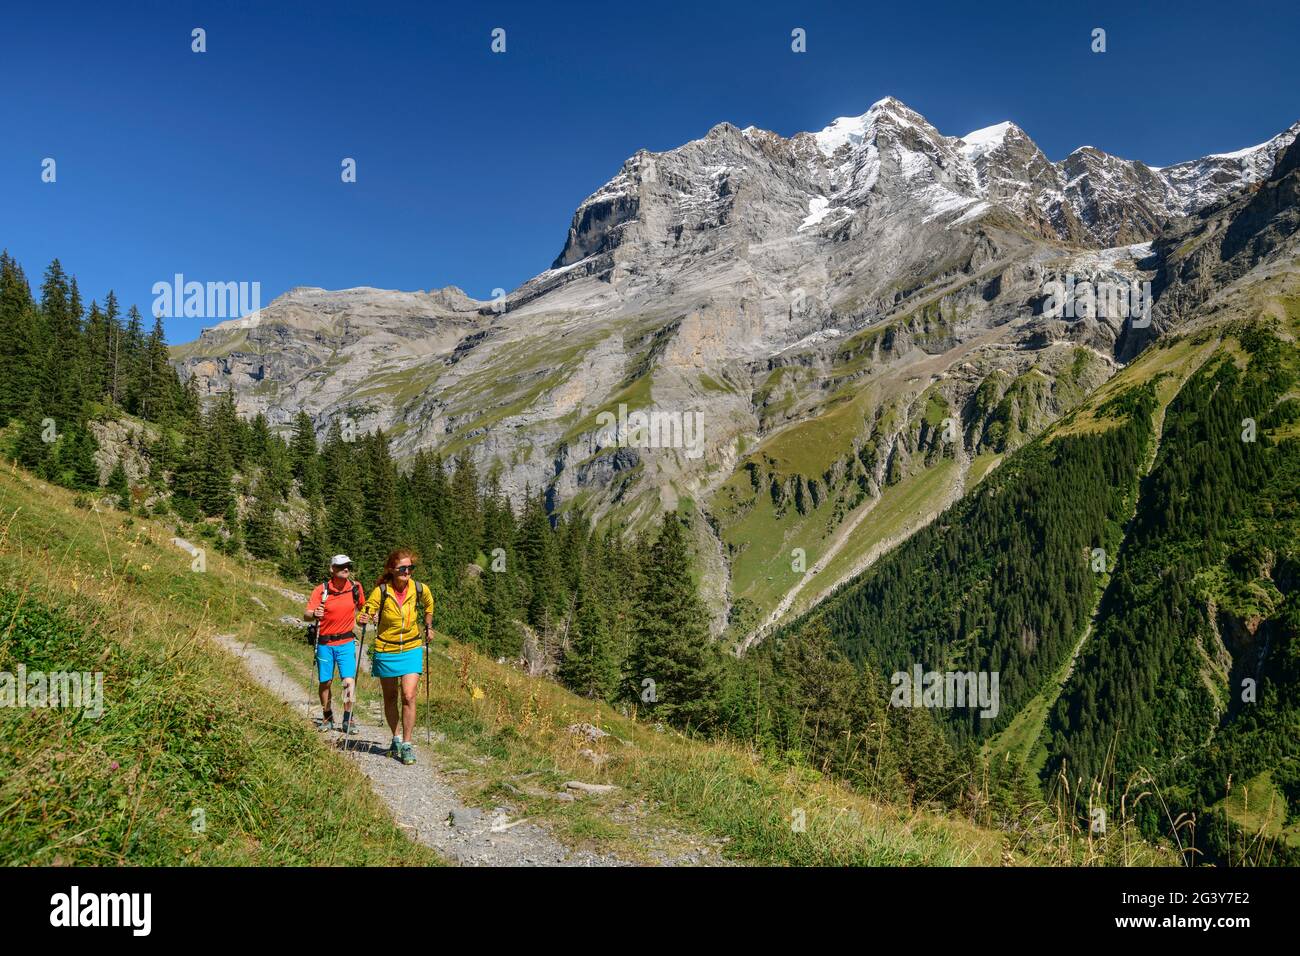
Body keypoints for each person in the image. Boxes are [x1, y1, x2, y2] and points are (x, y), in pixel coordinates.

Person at [359, 549, 434, 765]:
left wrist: (428, 626)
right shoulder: (381, 591)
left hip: (411, 647)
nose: (407, 571)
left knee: (408, 695)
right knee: (390, 697)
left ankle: (408, 745)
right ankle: (396, 737)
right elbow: (365, 614)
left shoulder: (420, 589)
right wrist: (363, 618)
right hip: (386, 649)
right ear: (392, 569)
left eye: (410, 568)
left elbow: (429, 606)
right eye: (403, 568)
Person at [304, 555, 366, 734]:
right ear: (332, 568)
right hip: (325, 642)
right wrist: (315, 613)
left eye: (348, 565)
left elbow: (364, 608)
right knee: (326, 682)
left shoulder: (355, 588)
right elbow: (306, 614)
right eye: (341, 566)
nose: (345, 568)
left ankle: (348, 717)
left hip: (346, 642)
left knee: (348, 681)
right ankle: (327, 714)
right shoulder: (321, 590)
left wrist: (366, 617)